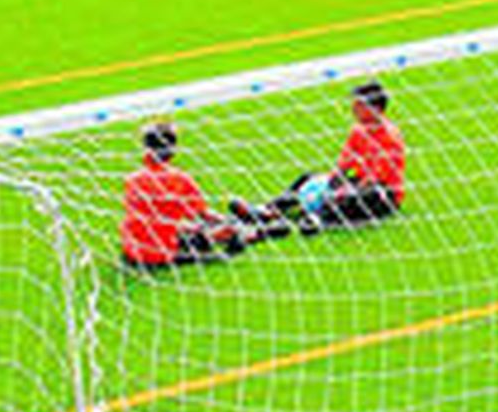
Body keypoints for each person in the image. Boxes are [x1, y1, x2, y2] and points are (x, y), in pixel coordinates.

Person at [250, 79, 407, 234]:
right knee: (309, 177)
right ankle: (271, 209)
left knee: (362, 195)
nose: (353, 109)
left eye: (359, 105)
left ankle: (319, 219)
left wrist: (344, 190)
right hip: (359, 180)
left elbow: (377, 178)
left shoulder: (390, 138)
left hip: (384, 193)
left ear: (376, 109)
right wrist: (331, 181)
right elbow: (345, 162)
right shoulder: (358, 130)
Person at [121, 122, 256, 270]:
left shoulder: (132, 179)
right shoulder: (180, 178)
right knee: (207, 231)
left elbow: (147, 217)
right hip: (162, 253)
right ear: (173, 150)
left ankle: (244, 225)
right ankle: (247, 231)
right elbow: (204, 214)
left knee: (184, 228)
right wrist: (230, 223)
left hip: (131, 249)